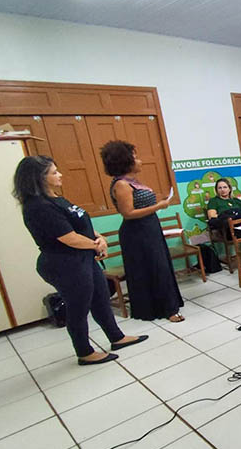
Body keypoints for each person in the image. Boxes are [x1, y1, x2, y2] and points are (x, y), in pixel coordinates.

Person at [14, 156, 148, 365]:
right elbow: (69, 238)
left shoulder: (57, 199)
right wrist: (96, 245)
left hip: (83, 257)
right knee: (78, 307)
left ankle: (116, 337)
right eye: (54, 172)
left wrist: (99, 238)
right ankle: (84, 352)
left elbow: (81, 224)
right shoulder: (38, 207)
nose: (60, 175)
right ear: (39, 178)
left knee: (101, 298)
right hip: (64, 263)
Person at [102, 140, 184, 322]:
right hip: (137, 232)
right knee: (153, 269)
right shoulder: (121, 184)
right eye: (135, 158)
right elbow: (128, 213)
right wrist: (159, 206)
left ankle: (168, 306)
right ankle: (165, 310)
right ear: (125, 162)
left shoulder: (133, 181)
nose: (140, 161)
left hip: (150, 227)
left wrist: (159, 203)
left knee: (160, 267)